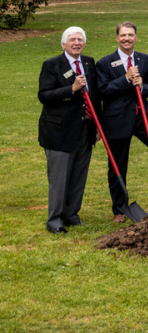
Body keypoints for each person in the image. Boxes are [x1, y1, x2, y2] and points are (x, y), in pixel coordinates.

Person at [95, 21, 148, 218]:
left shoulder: (144, 59)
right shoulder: (104, 63)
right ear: (117, 38)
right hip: (117, 119)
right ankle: (119, 208)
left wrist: (143, 86)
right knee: (118, 163)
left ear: (136, 37)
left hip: (142, 115)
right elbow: (102, 91)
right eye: (123, 35)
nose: (127, 38)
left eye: (130, 35)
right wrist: (126, 79)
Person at [37, 27, 99, 233]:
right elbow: (44, 95)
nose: (77, 43)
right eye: (72, 40)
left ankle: (71, 214)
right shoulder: (52, 65)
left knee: (78, 176)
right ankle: (54, 221)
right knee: (59, 179)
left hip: (85, 129)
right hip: (59, 132)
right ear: (64, 44)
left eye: (80, 39)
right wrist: (70, 89)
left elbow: (95, 96)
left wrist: (97, 125)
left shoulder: (89, 63)